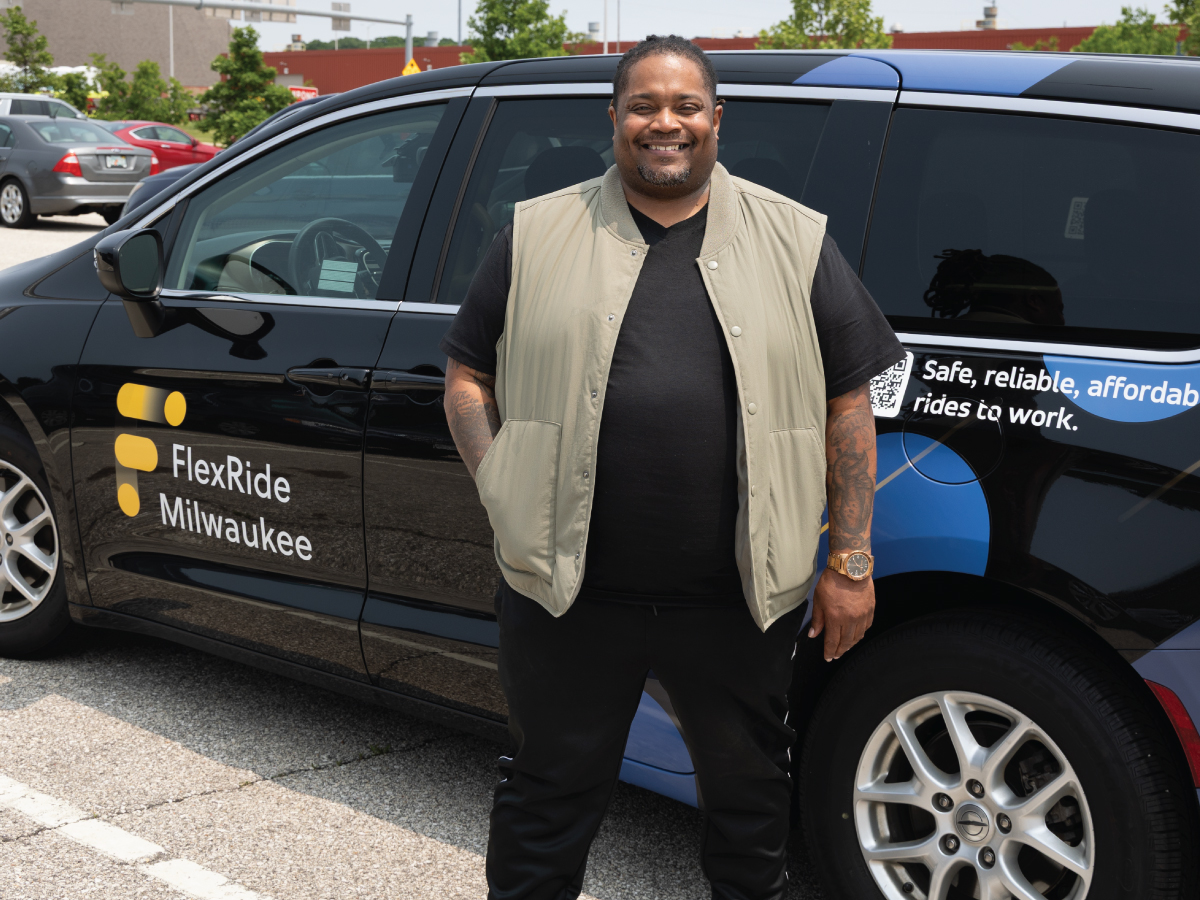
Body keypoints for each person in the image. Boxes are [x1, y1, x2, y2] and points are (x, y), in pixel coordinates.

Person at [441, 35, 905, 900]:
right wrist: (500, 480)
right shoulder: (537, 233)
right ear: (612, 118)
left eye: (686, 106)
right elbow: (468, 370)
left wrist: (850, 560)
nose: (666, 124)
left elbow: (850, 401)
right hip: (567, 592)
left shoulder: (795, 239)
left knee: (749, 800)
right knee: (546, 796)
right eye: (645, 105)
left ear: (716, 119)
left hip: (736, 596)